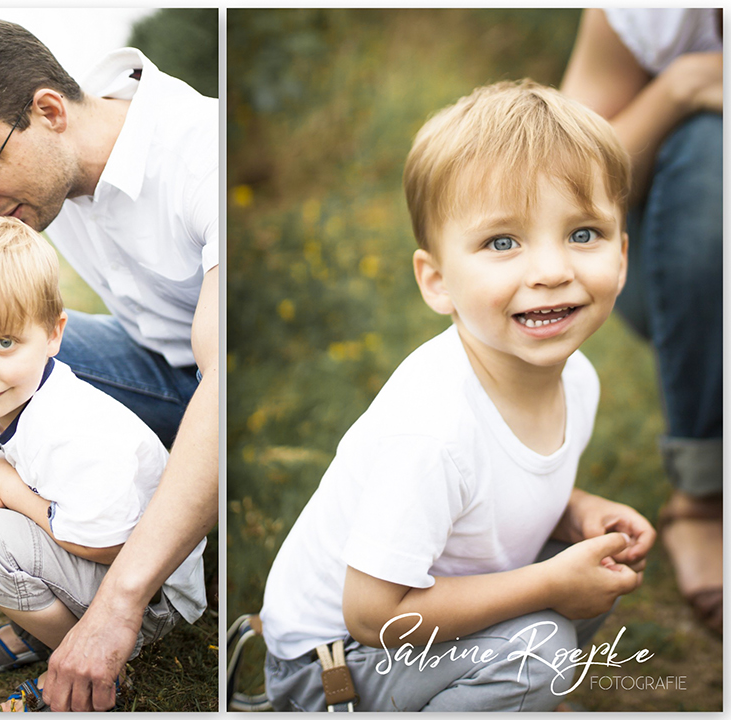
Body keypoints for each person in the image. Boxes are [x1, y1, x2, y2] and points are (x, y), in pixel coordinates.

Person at [0, 18, 221, 710]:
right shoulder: (8, 154)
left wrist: (112, 614)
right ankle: (47, 567)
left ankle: (105, 582)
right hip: (153, 367)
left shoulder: (203, 153)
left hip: (224, 394)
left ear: (49, 111)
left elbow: (224, 387)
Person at [259, 81, 653, 711]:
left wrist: (572, 510)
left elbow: (490, 489)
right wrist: (549, 581)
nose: (552, 269)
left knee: (587, 569)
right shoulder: (432, 427)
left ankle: (502, 693)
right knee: (543, 643)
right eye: (503, 242)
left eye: (583, 234)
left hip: (407, 625)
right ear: (437, 281)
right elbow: (372, 615)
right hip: (334, 665)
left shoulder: (577, 378)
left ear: (623, 256)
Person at [0, 216, 205, 711]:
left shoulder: (74, 427)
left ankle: (86, 665)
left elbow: (110, 545)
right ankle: (41, 625)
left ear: (53, 334)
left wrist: (5, 486)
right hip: (74, 543)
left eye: (4, 343)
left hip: (148, 593)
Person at [562, 7, 723, 634]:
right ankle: (703, 497)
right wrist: (682, 86)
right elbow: (565, 180)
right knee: (713, 147)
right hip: (679, 266)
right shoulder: (652, 11)